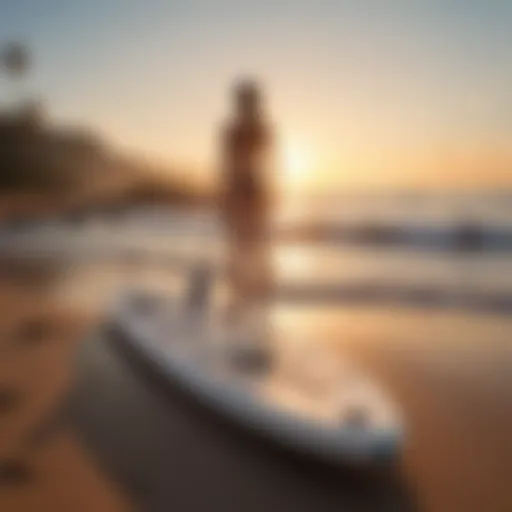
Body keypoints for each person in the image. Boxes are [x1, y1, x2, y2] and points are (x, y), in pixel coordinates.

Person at [219, 79, 274, 325]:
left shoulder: (258, 129)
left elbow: (266, 163)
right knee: (240, 252)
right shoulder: (235, 131)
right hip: (243, 194)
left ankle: (252, 307)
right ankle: (242, 306)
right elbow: (228, 166)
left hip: (253, 195)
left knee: (254, 252)